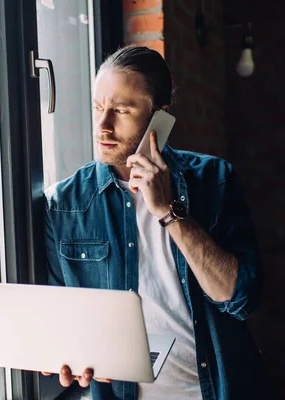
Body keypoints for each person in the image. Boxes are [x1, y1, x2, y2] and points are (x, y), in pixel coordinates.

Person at [42, 45, 265, 400]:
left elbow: (239, 299)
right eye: (98, 107)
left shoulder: (214, 180)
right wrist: (64, 355)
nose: (103, 125)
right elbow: (59, 316)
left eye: (121, 110)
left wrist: (168, 211)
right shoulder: (65, 204)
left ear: (159, 117)